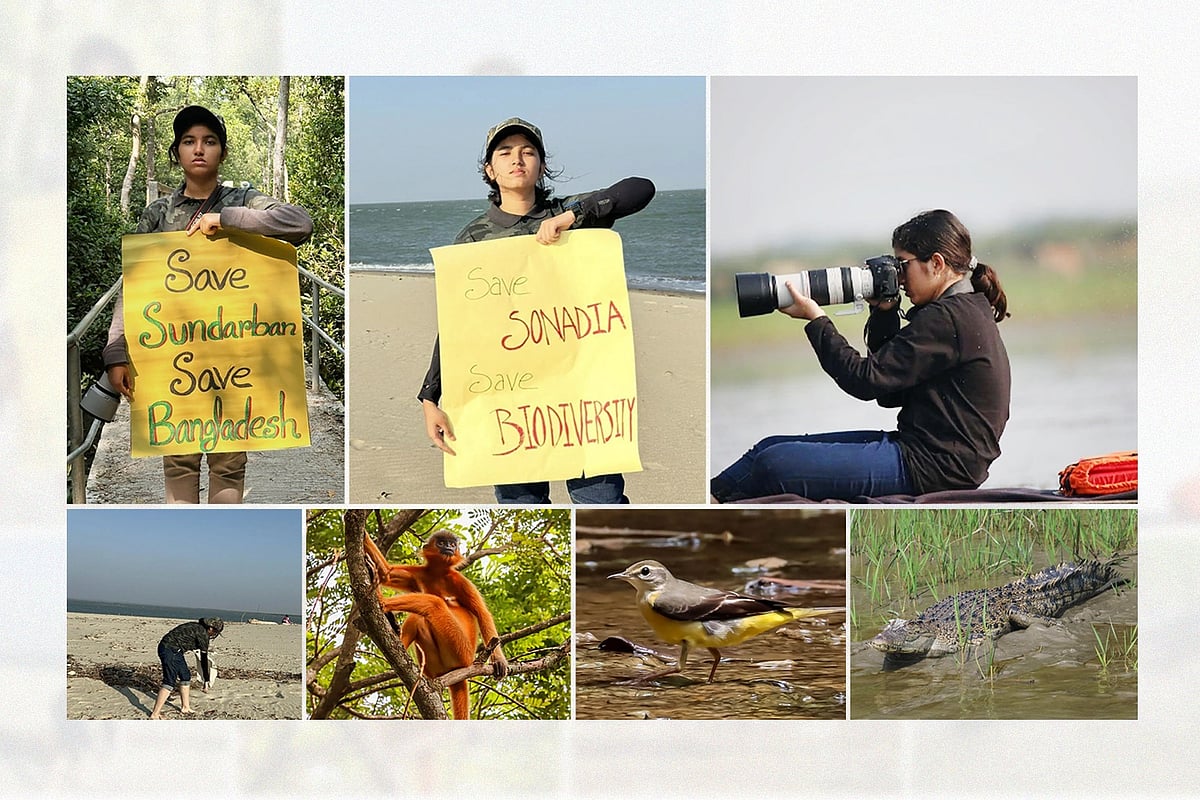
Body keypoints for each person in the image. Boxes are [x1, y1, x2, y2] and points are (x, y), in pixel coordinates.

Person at [417, 117, 655, 504]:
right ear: (489, 170)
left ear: (542, 166)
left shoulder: (571, 215)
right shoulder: (472, 239)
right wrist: (431, 398)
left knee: (601, 503)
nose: (518, 159)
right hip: (508, 401)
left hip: (580, 398)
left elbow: (641, 189)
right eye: (505, 152)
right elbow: (457, 326)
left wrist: (571, 217)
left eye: (528, 152)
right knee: (520, 507)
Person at [711, 209, 1011, 502]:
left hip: (933, 468)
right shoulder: (964, 309)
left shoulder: (949, 317)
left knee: (774, 463)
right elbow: (889, 393)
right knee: (767, 448)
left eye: (902, 265)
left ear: (936, 263)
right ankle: (706, 496)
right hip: (925, 453)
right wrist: (884, 312)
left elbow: (864, 382)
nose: (900, 278)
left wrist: (816, 321)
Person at [102, 105, 313, 503]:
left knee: (229, 465)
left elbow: (298, 223)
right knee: (177, 463)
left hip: (233, 366)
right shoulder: (157, 214)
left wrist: (228, 218)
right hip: (172, 364)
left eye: (209, 141)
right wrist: (116, 351)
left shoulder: (244, 200)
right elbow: (133, 284)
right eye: (189, 141)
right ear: (177, 152)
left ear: (222, 152)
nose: (199, 149)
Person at [149, 617, 224, 719]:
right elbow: (204, 660)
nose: (214, 635)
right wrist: (206, 680)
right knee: (169, 682)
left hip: (176, 650)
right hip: (169, 650)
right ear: (210, 628)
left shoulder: (196, 626)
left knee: (185, 676)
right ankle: (155, 714)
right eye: (215, 632)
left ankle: (185, 707)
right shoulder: (203, 635)